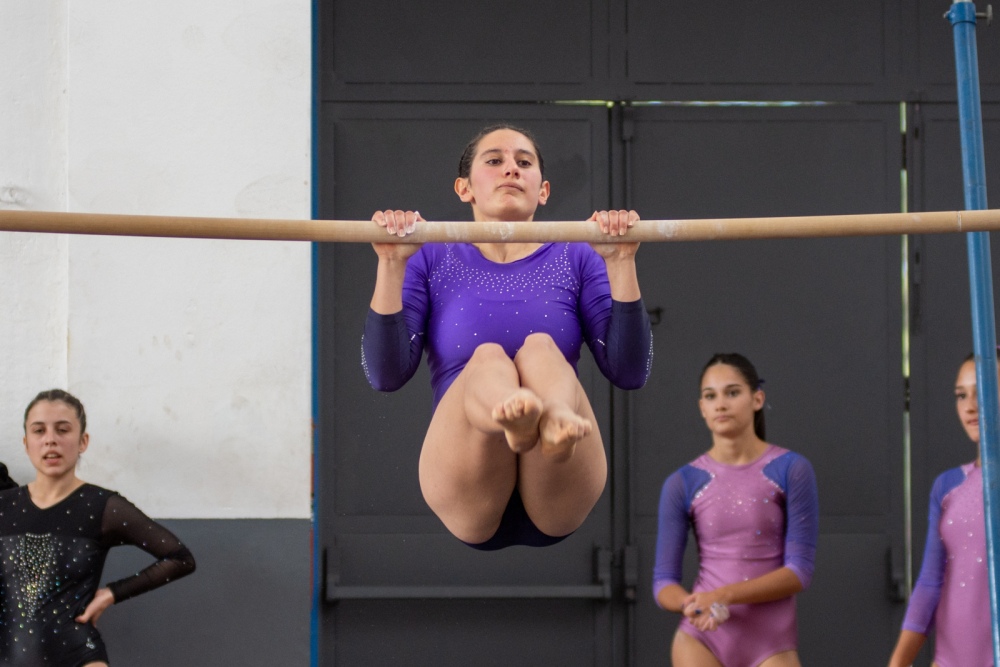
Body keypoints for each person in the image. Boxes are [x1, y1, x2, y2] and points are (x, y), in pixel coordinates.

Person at [362, 123, 653, 550]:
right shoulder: (429, 253)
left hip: (561, 475)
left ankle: (549, 421)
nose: (511, 170)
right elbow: (384, 375)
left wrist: (622, 261)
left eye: (524, 162)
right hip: (466, 470)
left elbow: (630, 372)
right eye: (494, 161)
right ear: (465, 188)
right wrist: (391, 264)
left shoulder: (578, 252)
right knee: (488, 357)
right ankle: (512, 417)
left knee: (540, 348)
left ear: (544, 189)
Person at [0, 389, 196, 666]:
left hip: (80, 655)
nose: (51, 440)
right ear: (26, 442)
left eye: (63, 430)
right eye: (39, 431)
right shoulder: (4, 505)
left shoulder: (103, 507)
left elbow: (180, 558)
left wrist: (112, 593)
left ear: (83, 441)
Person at [653, 353, 819, 667]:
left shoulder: (791, 469)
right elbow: (663, 583)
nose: (721, 404)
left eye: (732, 392)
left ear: (757, 398)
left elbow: (799, 572)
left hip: (771, 642)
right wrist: (690, 604)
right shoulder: (682, 482)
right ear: (701, 407)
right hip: (702, 638)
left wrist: (723, 595)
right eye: (710, 396)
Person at [888, 353, 994, 667]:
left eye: (984, 389)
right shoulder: (947, 486)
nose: (970, 406)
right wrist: (899, 663)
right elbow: (930, 582)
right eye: (961, 395)